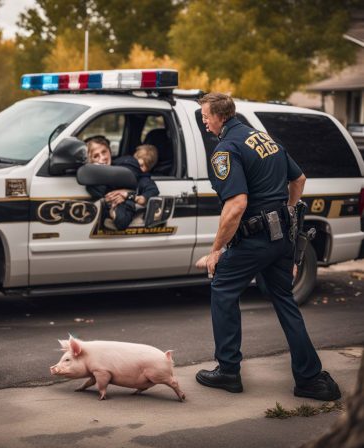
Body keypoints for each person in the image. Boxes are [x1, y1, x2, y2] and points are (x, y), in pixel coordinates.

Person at [194, 92, 341, 401]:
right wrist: (284, 212)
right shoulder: (262, 139)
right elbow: (299, 180)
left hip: (255, 239)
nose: (204, 122)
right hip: (280, 239)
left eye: (206, 116)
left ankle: (228, 371)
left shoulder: (226, 149)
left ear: (221, 116)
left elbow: (236, 206)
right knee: (285, 301)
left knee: (222, 288)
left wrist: (216, 250)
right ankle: (310, 378)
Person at [85, 138, 159, 230]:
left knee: (123, 216)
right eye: (95, 156)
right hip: (107, 209)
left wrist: (128, 194)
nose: (102, 158)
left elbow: (151, 190)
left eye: (104, 152)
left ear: (110, 151)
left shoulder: (127, 167)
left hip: (125, 208)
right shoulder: (91, 179)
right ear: (90, 161)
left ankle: (115, 215)